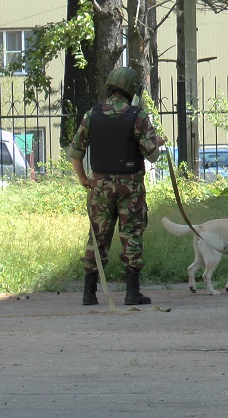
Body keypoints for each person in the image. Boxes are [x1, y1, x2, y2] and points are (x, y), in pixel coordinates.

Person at [66, 67, 165, 306]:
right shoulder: (137, 116)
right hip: (130, 186)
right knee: (131, 235)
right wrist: (158, 142)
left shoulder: (92, 115)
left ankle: (89, 293)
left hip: (99, 185)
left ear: (110, 87)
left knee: (97, 236)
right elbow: (152, 155)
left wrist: (84, 179)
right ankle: (132, 292)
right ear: (131, 90)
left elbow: (75, 152)